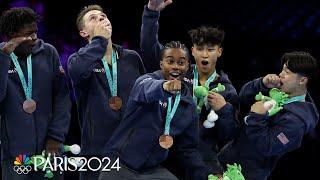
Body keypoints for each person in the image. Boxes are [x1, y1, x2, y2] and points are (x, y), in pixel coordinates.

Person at [140, 0, 239, 176]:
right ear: (192, 51)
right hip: (164, 153)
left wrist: (224, 110)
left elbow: (229, 136)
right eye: (200, 49)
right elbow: (149, 48)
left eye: (210, 49)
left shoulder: (228, 91)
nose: (205, 54)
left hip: (201, 159)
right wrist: (151, 13)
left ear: (219, 52)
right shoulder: (178, 70)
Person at [99, 41, 216, 180]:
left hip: (151, 171)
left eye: (181, 62)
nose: (175, 67)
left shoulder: (189, 105)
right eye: (170, 61)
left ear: (187, 68)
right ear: (161, 64)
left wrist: (208, 175)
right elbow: (146, 89)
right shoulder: (145, 81)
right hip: (119, 163)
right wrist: (165, 87)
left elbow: (187, 149)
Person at [67, 4, 145, 180]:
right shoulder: (78, 60)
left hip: (133, 150)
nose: (101, 18)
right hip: (97, 153)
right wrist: (100, 41)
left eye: (103, 15)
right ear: (84, 33)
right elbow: (78, 72)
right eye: (93, 18)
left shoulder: (132, 58)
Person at [218, 51, 319, 180]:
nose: (280, 75)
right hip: (225, 159)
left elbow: (268, 146)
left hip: (246, 175)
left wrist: (257, 117)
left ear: (302, 80)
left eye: (287, 72)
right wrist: (262, 84)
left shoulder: (297, 122)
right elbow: (242, 97)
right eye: (282, 70)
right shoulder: (276, 90)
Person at [0, 7, 71, 179]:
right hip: (15, 156)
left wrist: (56, 137)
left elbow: (62, 98)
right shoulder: (1, 58)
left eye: (35, 32)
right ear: (12, 35)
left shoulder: (48, 52)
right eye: (28, 34)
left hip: (50, 150)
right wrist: (3, 58)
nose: (34, 38)